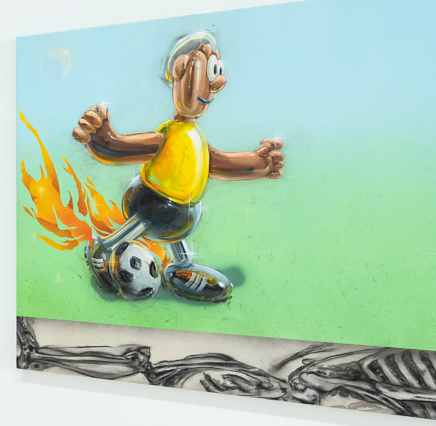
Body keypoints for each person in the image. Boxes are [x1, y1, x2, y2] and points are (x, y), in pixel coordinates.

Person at [71, 31, 284, 303]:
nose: (213, 85)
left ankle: (181, 268)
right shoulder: (169, 136)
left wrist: (259, 164)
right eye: (196, 72)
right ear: (177, 75)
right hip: (150, 203)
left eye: (212, 74)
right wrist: (101, 138)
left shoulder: (197, 138)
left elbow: (221, 163)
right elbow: (121, 148)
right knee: (144, 223)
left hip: (184, 215)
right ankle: (104, 249)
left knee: (171, 233)